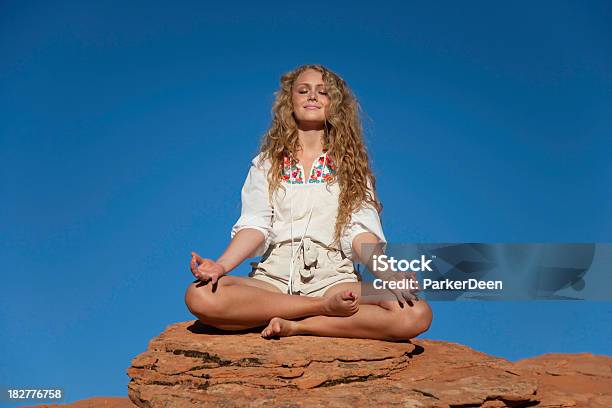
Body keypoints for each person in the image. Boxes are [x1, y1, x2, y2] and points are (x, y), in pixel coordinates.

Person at [184, 64, 432, 341]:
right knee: (200, 295)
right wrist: (220, 267)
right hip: (272, 282)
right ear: (290, 102)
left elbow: (360, 234)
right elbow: (255, 227)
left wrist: (387, 274)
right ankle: (319, 310)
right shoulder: (267, 164)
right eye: (303, 90)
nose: (312, 96)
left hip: (335, 282)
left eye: (323, 92)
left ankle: (298, 325)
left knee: (415, 313)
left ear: (335, 104)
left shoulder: (352, 169)